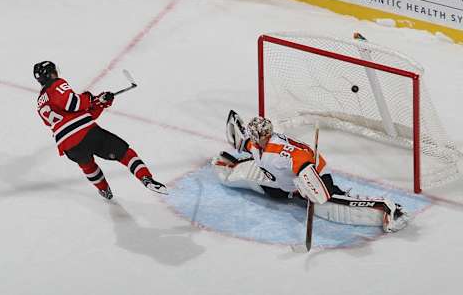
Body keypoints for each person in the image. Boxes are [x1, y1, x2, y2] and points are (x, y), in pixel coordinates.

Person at [212, 111, 409, 233]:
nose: (267, 136)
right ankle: (234, 165)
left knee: (329, 203)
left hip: (316, 174)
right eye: (262, 135)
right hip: (288, 185)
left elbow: (303, 155)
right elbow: (245, 145)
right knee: (270, 191)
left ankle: (387, 207)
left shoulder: (279, 150)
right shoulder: (254, 146)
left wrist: (306, 179)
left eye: (268, 133)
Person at [34, 61, 167, 199]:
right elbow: (73, 104)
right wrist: (89, 98)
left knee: (87, 165)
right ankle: (146, 178)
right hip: (87, 134)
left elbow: (79, 117)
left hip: (68, 147)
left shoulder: (40, 103)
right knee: (125, 153)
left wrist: (99, 103)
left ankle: (104, 190)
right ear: (51, 73)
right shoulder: (56, 84)